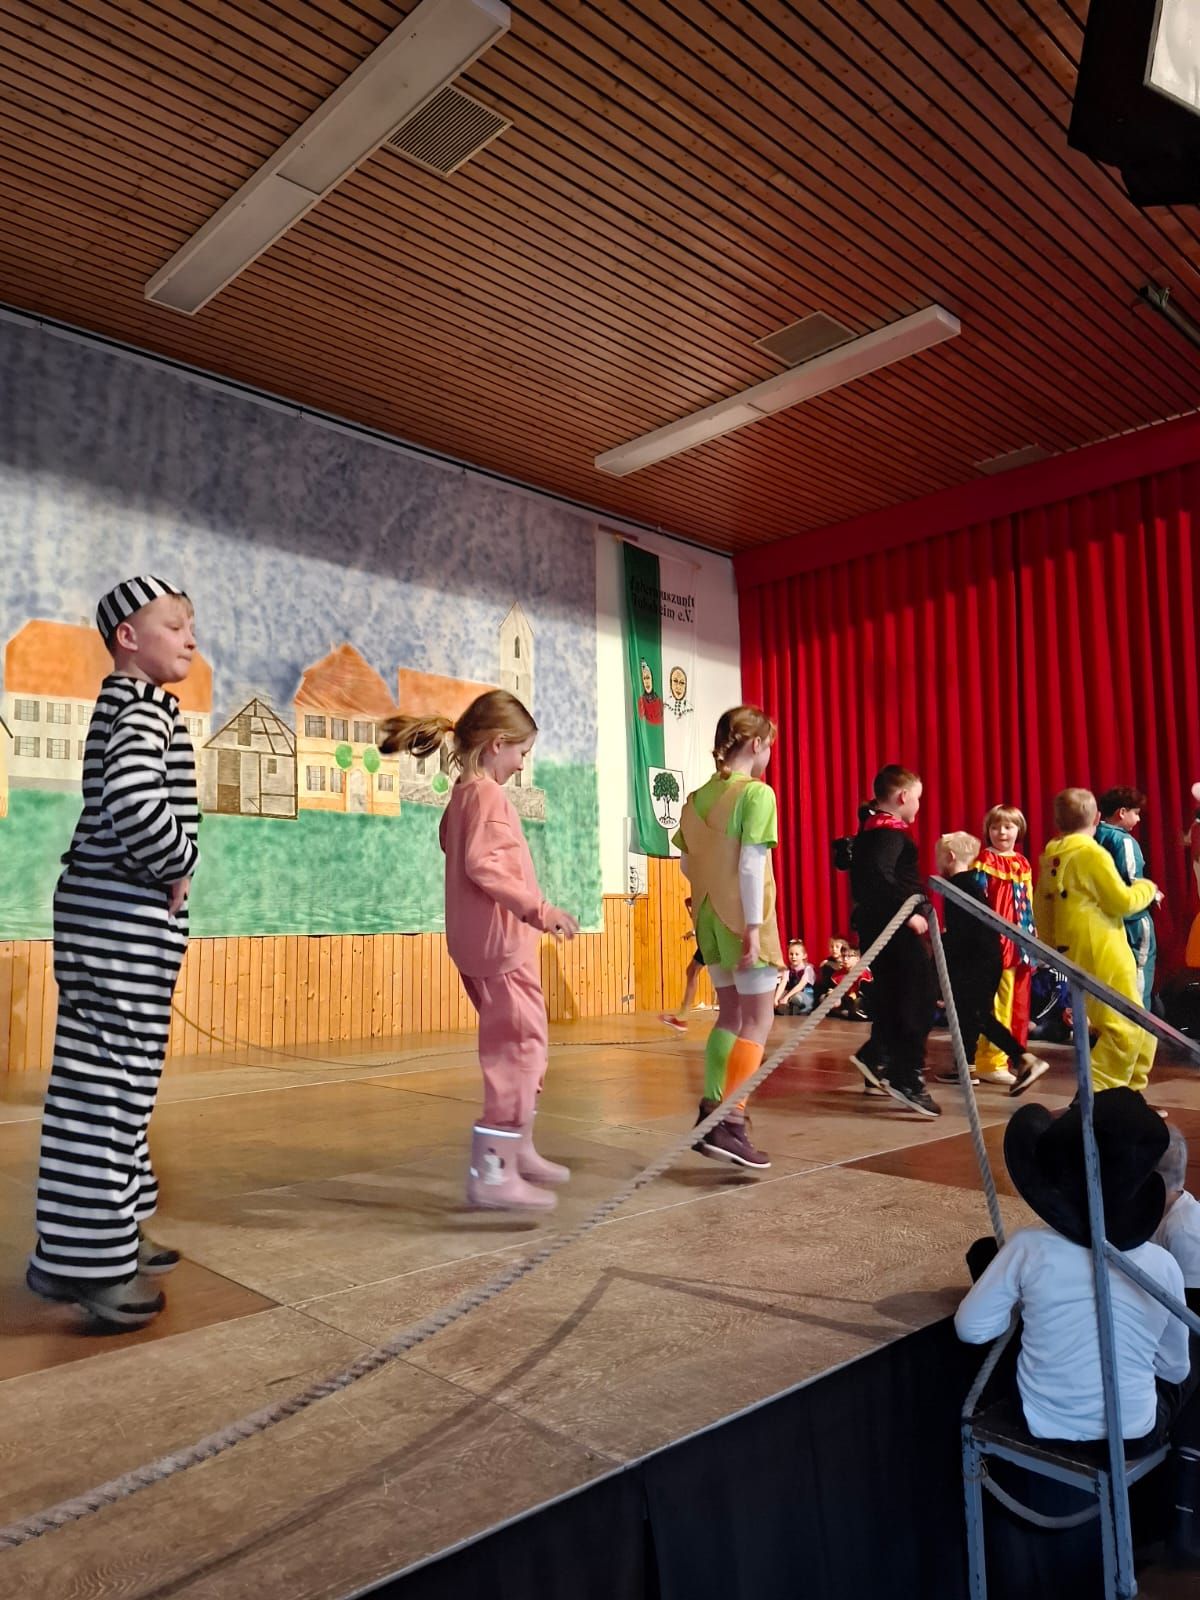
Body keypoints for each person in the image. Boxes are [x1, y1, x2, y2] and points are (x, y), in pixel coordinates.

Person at [26, 577, 200, 1329]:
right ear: (128, 637)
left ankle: (110, 1233)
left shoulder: (135, 705)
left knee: (124, 1078)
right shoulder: (139, 709)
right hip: (117, 918)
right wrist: (179, 860)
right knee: (105, 1083)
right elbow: (132, 800)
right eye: (175, 625)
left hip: (116, 917)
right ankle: (88, 1265)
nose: (191, 638)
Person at [381, 690, 578, 1212]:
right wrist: (541, 910)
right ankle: (494, 1170)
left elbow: (454, 846)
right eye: (521, 752)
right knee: (518, 1054)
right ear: (496, 744)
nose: (522, 764)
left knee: (522, 1048)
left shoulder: (463, 796)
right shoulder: (488, 797)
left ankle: (518, 1148)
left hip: (481, 949)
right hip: (503, 950)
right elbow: (484, 866)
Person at [956, 1090, 1194, 1450]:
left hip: (1043, 1424)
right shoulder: (1163, 1266)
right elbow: (1175, 1369)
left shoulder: (1028, 1247)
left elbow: (971, 1329)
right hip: (1131, 1436)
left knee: (986, 1256)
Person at [675, 705, 783, 1171]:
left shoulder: (694, 799)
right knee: (758, 1019)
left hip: (708, 917)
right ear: (757, 744)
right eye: (769, 745)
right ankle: (731, 1121)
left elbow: (686, 864)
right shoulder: (756, 794)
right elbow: (751, 865)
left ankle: (710, 1109)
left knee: (730, 1015)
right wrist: (754, 928)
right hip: (742, 918)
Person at [1034, 788, 1161, 1095]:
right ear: (1096, 818)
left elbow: (1042, 908)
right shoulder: (1091, 854)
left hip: (1075, 950)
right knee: (1124, 1027)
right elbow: (1122, 901)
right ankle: (1097, 1093)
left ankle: (1131, 1092)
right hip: (1102, 946)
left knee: (1140, 1025)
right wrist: (1147, 888)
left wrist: (1053, 949)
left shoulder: (1052, 856)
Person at [848, 764, 940, 1118]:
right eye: (917, 798)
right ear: (902, 797)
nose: (918, 806)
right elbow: (879, 877)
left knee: (896, 996)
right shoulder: (888, 834)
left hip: (884, 925)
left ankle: (876, 1057)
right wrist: (908, 912)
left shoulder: (875, 830)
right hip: (894, 927)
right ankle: (906, 1076)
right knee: (918, 997)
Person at [932, 832, 1049, 1095]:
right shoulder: (971, 883)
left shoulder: (958, 886)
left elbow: (963, 931)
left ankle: (1023, 1058)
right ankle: (965, 1065)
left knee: (977, 1015)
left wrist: (943, 950)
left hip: (976, 960)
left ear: (950, 856)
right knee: (969, 1014)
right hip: (985, 957)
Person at [970, 804, 1038, 1086]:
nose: (1001, 832)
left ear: (1018, 830)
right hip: (997, 942)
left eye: (1008, 827)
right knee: (1000, 1003)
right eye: (995, 827)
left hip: (1020, 942)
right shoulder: (984, 861)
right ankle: (990, 1061)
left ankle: (1014, 1057)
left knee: (1018, 1005)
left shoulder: (1022, 863)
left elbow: (1028, 902)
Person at [1095, 787, 1157, 1009]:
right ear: (1122, 812)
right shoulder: (1124, 841)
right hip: (1132, 920)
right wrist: (1152, 893)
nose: (1138, 819)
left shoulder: (1091, 837)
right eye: (1136, 813)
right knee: (1139, 972)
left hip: (1104, 921)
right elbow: (1133, 880)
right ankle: (1138, 1023)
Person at [661, 895, 705, 1033]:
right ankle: (682, 1017)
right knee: (691, 971)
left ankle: (682, 1017)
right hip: (708, 937)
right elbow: (688, 901)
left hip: (712, 938)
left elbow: (690, 902)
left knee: (693, 971)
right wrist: (694, 931)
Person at [774, 937, 816, 1015]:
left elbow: (801, 985)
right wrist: (776, 999)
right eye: (791, 954)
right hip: (791, 994)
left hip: (805, 994)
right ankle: (785, 1009)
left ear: (804, 956)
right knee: (778, 997)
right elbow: (782, 984)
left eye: (797, 954)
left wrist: (786, 997)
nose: (793, 957)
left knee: (796, 998)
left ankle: (803, 1010)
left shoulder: (808, 968)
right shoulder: (788, 969)